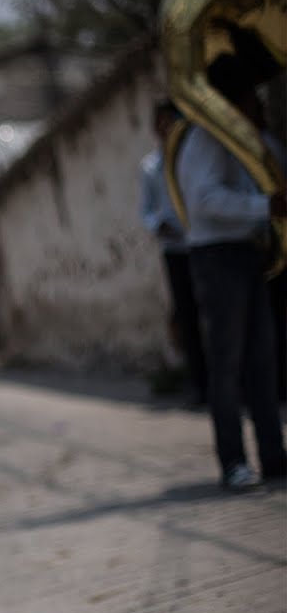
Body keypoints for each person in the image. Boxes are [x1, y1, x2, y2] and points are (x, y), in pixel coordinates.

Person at [176, 54, 287, 491]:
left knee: (262, 361)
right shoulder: (205, 139)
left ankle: (273, 454)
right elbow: (203, 200)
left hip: (247, 252)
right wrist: (264, 207)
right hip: (217, 257)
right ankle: (233, 461)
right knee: (227, 363)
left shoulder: (247, 140)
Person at [141, 99, 207, 406]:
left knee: (215, 313)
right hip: (175, 250)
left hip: (203, 245)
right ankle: (200, 384)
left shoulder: (193, 161)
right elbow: (146, 211)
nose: (167, 129)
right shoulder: (150, 168)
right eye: (162, 123)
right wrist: (159, 224)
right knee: (187, 316)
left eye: (172, 122)